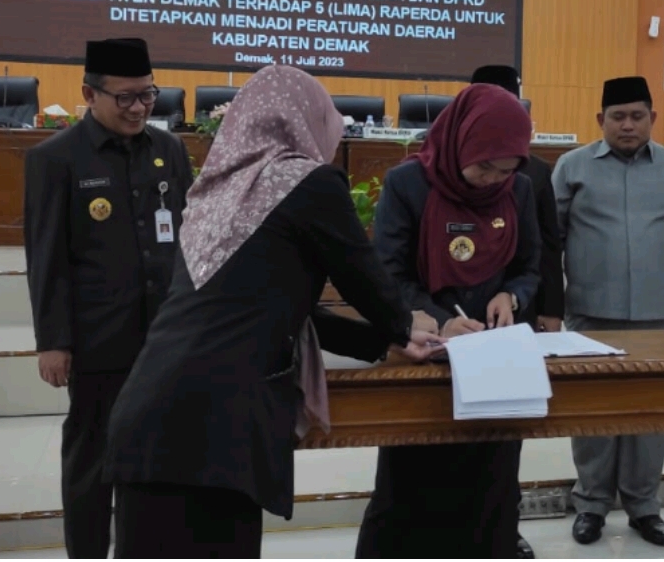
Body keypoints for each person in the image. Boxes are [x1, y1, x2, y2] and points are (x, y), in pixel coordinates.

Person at [104, 65, 443, 559]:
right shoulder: (309, 182)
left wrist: (386, 340)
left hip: (149, 420)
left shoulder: (216, 194)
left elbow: (278, 306)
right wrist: (408, 323)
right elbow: (361, 274)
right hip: (215, 433)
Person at [354, 84, 543, 558]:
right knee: (411, 484)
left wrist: (511, 296)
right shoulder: (408, 184)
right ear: (462, 142)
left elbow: (529, 266)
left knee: (491, 483)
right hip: (426, 358)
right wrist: (440, 322)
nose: (491, 181)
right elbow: (388, 274)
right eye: (484, 167)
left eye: (505, 170)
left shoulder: (518, 189)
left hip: (495, 362)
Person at [23, 37, 193, 559]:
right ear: (89, 94)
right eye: (125, 97)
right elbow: (46, 257)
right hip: (99, 338)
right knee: (91, 461)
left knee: (159, 459)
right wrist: (53, 341)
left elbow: (189, 241)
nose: (139, 108)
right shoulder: (55, 158)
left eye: (148, 95)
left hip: (164, 338)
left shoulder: (169, 151)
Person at [552, 75, 664, 548]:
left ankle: (644, 506)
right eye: (618, 117)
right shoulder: (571, 167)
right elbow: (549, 238)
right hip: (590, 314)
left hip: (658, 316)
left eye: (637, 116)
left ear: (652, 118)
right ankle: (591, 503)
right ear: (600, 119)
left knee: (652, 414)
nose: (628, 125)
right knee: (592, 414)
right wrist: (547, 305)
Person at [470, 64, 563, 560]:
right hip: (452, 327)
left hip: (513, 320)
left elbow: (545, 248)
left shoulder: (534, 172)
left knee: (508, 438)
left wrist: (549, 309)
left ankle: (506, 527)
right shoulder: (436, 165)